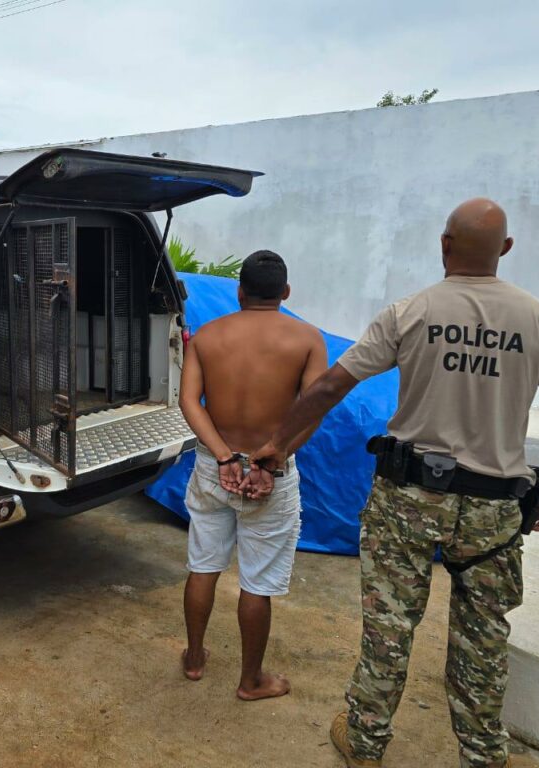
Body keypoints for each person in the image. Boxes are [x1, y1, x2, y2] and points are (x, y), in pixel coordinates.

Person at [252, 199, 539, 767]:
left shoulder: (411, 311)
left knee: (391, 623)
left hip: (407, 501)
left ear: (444, 244)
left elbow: (330, 387)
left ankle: (365, 742)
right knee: (482, 637)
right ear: (505, 250)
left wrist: (276, 445)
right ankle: (484, 754)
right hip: (494, 510)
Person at [178, 250, 328, 700]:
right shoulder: (307, 339)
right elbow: (313, 408)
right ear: (285, 293)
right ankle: (251, 680)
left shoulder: (206, 336)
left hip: (213, 467)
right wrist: (269, 460)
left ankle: (195, 656)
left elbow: (189, 402)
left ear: (239, 291)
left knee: (203, 566)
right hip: (272, 474)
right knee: (256, 583)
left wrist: (225, 457)